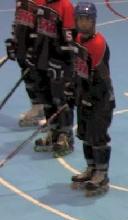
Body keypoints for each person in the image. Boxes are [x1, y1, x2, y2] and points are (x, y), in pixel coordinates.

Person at [68, 2, 116, 196]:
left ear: (93, 21)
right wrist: (72, 88)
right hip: (84, 95)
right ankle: (91, 168)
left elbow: (100, 79)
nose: (83, 23)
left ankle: (101, 174)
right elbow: (78, 68)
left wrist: (89, 97)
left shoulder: (97, 44)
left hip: (100, 100)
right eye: (80, 19)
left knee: (97, 136)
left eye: (87, 19)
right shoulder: (78, 39)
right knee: (85, 134)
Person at [31, 0, 75, 157]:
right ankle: (53, 133)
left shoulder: (65, 6)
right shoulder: (43, 4)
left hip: (59, 64)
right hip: (43, 61)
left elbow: (70, 40)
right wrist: (33, 54)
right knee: (47, 100)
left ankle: (65, 137)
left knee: (61, 100)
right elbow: (38, 32)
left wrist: (65, 64)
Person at [5, 0, 47, 128]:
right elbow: (18, 19)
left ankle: (49, 111)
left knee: (41, 77)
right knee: (28, 76)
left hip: (37, 46)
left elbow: (47, 26)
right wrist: (14, 41)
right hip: (23, 44)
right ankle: (37, 108)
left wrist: (36, 47)